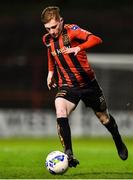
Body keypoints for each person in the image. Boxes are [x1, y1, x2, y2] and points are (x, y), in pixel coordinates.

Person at [41, 6, 128, 168]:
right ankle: (68, 153)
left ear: (61, 21)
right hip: (68, 85)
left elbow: (96, 39)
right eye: (48, 28)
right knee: (60, 109)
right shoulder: (47, 39)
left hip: (88, 85)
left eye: (54, 27)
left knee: (104, 118)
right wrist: (50, 72)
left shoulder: (72, 31)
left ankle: (117, 138)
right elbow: (51, 54)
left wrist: (79, 47)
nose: (52, 31)